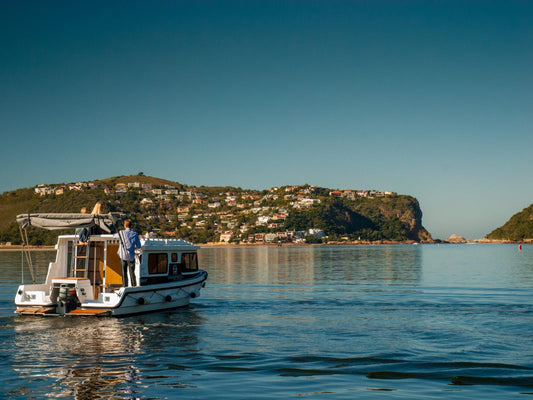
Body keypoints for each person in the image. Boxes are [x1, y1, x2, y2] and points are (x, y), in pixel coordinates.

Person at [115, 219, 142, 287]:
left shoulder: (121, 232)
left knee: (124, 273)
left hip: (123, 255)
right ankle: (134, 285)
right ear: (130, 225)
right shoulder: (135, 234)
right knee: (132, 273)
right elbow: (139, 246)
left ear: (125, 225)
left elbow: (114, 236)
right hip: (131, 256)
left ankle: (125, 286)